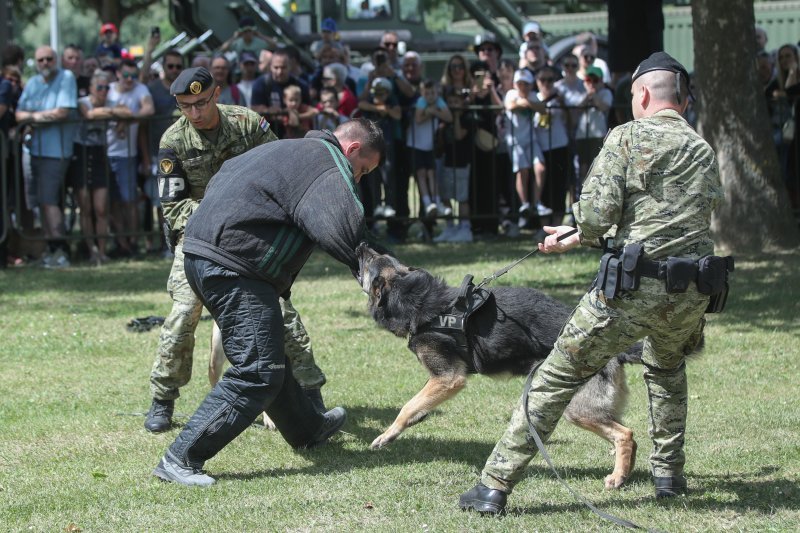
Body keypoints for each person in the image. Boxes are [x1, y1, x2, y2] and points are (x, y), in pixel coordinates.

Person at [459, 51, 723, 514]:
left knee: (556, 375)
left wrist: (581, 228)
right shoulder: (702, 149)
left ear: (642, 94)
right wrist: (582, 235)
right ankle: (669, 477)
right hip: (690, 293)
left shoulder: (626, 137)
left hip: (631, 291)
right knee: (666, 374)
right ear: (681, 99)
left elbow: (599, 216)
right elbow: (681, 218)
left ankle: (493, 486)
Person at [152, 118, 384, 486]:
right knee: (256, 370)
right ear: (352, 150)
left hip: (204, 256)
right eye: (363, 169)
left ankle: (308, 429)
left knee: (269, 357)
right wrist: (387, 274)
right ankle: (179, 458)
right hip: (233, 267)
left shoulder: (292, 149)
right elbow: (342, 229)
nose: (358, 177)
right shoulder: (327, 163)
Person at [144, 67, 329, 434]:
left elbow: (282, 173)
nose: (195, 113)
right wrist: (217, 215)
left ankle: (310, 392)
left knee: (279, 309)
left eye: (201, 103)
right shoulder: (173, 140)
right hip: (196, 237)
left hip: (248, 234)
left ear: (216, 94)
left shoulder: (248, 124)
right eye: (185, 106)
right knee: (183, 313)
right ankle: (162, 397)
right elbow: (174, 208)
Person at [15, 45, 79, 268]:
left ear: (56, 60)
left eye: (49, 59)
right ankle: (50, 248)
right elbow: (19, 114)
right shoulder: (32, 83)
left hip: (56, 152)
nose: (44, 64)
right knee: (40, 202)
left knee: (50, 201)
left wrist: (32, 119)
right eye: (40, 60)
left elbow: (62, 112)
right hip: (32, 152)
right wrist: (42, 116)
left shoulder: (66, 77)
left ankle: (60, 249)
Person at [105, 59, 154, 256]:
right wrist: (119, 114)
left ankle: (133, 241)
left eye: (133, 76)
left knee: (129, 201)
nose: (130, 80)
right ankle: (120, 242)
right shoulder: (107, 90)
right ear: (118, 74)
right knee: (113, 203)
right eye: (126, 75)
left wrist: (127, 121)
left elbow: (149, 109)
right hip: (106, 153)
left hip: (127, 155)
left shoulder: (140, 89)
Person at [72, 70, 115, 265]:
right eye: (99, 87)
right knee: (85, 208)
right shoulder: (83, 101)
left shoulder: (110, 103)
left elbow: (128, 112)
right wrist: (111, 112)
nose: (103, 91)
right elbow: (88, 114)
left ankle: (103, 252)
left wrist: (109, 112)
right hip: (81, 153)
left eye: (107, 88)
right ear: (91, 88)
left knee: (100, 208)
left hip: (100, 154)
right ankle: (92, 251)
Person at [504, 69, 548, 224]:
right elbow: (510, 106)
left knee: (540, 168)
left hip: (531, 139)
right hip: (516, 140)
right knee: (522, 171)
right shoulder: (511, 94)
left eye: (526, 84)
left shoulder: (532, 96)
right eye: (520, 84)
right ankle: (524, 204)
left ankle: (536, 203)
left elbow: (542, 109)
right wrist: (526, 103)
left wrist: (528, 103)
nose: (523, 87)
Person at [408, 79, 452, 218]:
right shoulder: (421, 101)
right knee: (421, 174)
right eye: (427, 93)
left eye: (432, 92)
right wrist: (431, 112)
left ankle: (437, 202)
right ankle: (428, 203)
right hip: (416, 145)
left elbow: (448, 117)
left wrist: (433, 111)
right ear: (422, 93)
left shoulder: (438, 101)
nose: (430, 96)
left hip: (429, 146)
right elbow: (419, 118)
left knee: (432, 174)